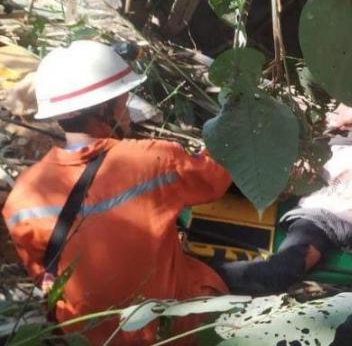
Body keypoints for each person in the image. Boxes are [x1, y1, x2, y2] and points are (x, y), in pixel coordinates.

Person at [1, 41, 232, 344]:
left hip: (84, 336)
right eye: (123, 101)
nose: (127, 111)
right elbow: (215, 179)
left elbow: (46, 278)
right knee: (259, 273)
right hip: (164, 332)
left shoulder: (22, 195)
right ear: (104, 109)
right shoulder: (154, 159)